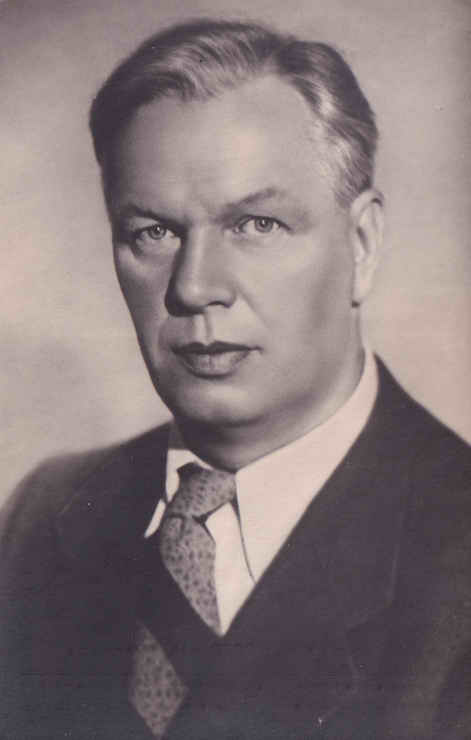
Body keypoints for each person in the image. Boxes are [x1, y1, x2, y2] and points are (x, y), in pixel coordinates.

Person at [1, 18, 470, 740]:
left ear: (362, 243)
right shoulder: (43, 517)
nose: (194, 287)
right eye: (153, 233)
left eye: (256, 225)